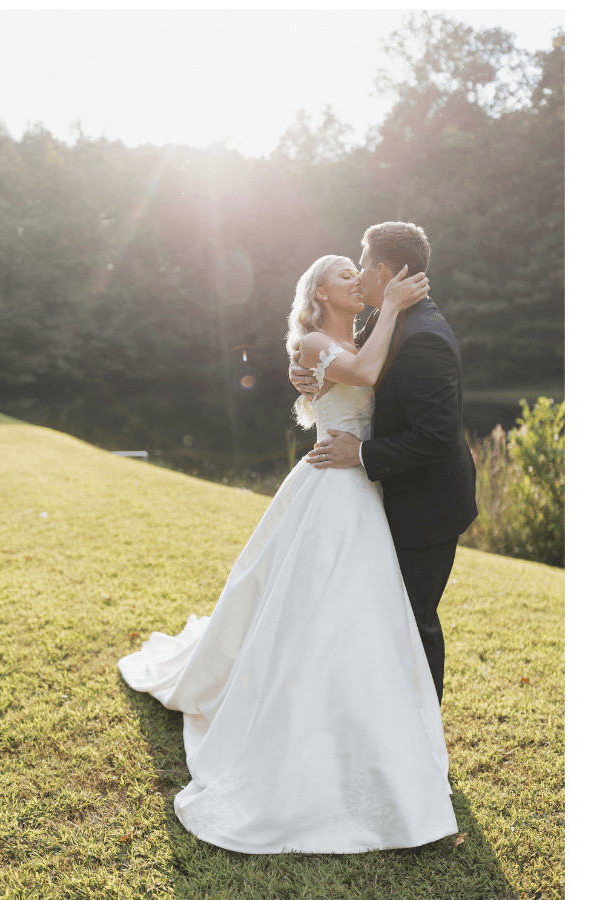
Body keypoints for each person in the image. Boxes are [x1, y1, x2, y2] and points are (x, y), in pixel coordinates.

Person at [118, 255, 458, 854]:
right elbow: (368, 371)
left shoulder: (351, 335)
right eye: (344, 276)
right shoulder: (312, 345)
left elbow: (378, 381)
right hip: (333, 488)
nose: (358, 281)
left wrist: (392, 313)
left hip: (362, 487)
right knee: (316, 613)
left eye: (361, 273)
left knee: (363, 617)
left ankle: (377, 736)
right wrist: (395, 307)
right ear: (319, 293)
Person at [290, 222, 478, 703]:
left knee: (415, 619)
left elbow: (436, 438)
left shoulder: (424, 338)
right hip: (374, 492)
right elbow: (335, 355)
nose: (359, 277)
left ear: (386, 273)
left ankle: (422, 728)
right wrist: (302, 367)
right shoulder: (383, 319)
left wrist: (362, 453)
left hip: (428, 505)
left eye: (363, 265)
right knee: (365, 608)